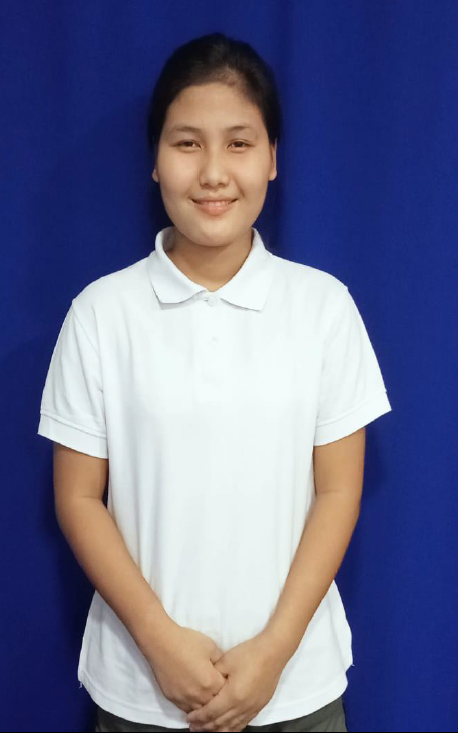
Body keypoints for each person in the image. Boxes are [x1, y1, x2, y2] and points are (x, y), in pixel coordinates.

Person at [37, 32, 392, 733]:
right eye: (187, 144)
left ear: (272, 159)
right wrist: (159, 643)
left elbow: (338, 490)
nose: (213, 173)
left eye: (239, 143)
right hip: (143, 692)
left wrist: (273, 654)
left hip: (295, 690)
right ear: (155, 160)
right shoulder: (101, 314)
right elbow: (78, 498)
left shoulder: (323, 308)